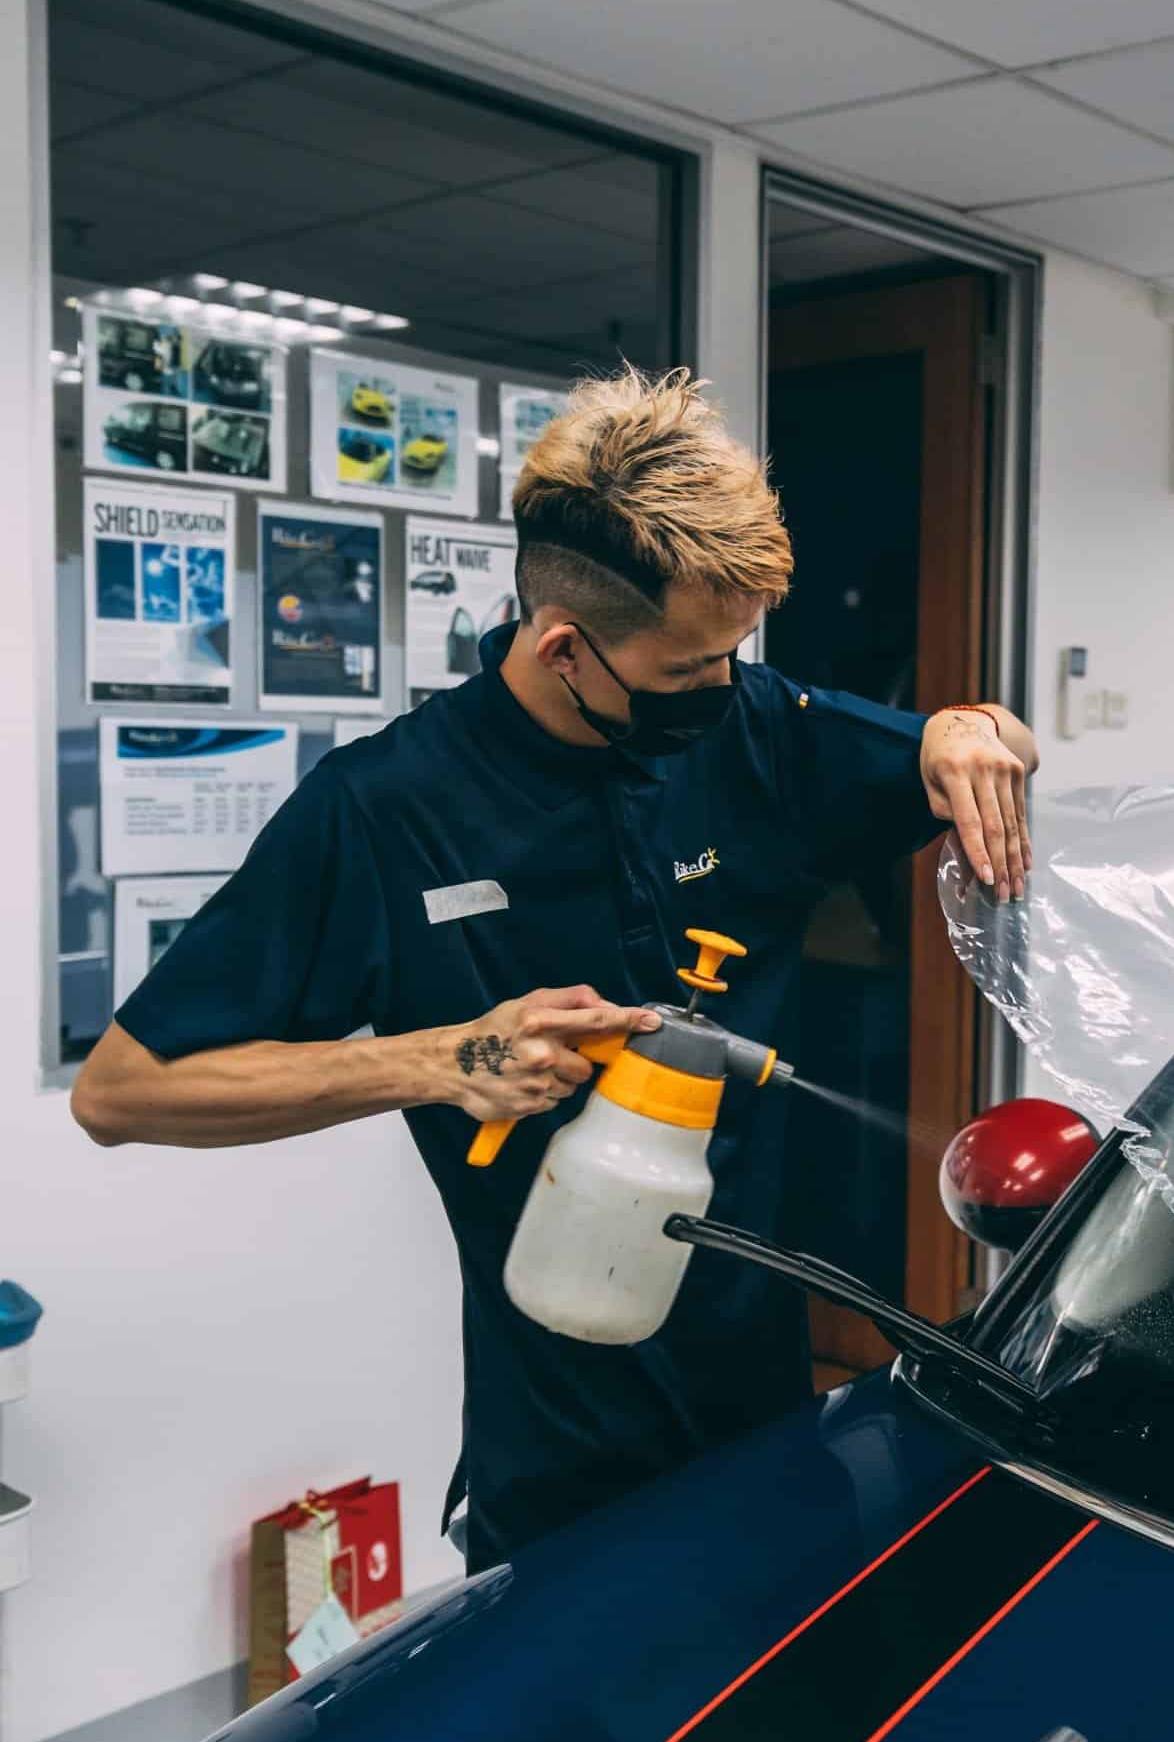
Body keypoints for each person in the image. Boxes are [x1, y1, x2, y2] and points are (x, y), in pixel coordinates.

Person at [71, 368, 1038, 1571]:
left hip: (765, 1406)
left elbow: (987, 746)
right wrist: (437, 1058)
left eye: (734, 656)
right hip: (558, 1430)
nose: (720, 689)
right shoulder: (386, 811)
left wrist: (969, 730)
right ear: (565, 644)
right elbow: (122, 1090)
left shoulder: (757, 727)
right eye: (687, 669)